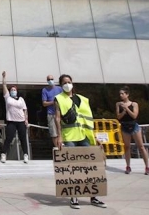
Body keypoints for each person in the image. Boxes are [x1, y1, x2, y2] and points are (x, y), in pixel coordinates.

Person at [55, 74, 106, 210]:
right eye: (64, 82)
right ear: (61, 85)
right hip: (70, 137)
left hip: (84, 136)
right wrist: (59, 137)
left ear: (72, 83)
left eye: (69, 82)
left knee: (91, 166)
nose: (67, 84)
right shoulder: (59, 99)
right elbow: (57, 118)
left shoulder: (83, 99)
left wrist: (94, 137)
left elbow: (88, 120)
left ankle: (94, 196)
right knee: (73, 167)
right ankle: (74, 196)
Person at [116, 86, 149, 175]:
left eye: (123, 94)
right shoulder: (118, 104)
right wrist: (123, 111)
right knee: (127, 146)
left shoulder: (134, 104)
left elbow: (134, 116)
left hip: (133, 126)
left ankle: (147, 166)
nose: (121, 95)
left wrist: (127, 108)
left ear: (127, 95)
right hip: (124, 126)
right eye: (120, 94)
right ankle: (128, 166)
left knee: (141, 146)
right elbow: (118, 117)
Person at [1, 71, 29, 164]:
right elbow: (4, 86)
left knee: (23, 138)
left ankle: (25, 155)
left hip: (21, 121)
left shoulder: (21, 99)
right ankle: (3, 154)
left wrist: (26, 120)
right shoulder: (7, 98)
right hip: (11, 121)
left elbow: (25, 110)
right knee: (9, 138)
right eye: (12, 90)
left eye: (14, 90)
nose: (13, 91)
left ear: (17, 91)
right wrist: (4, 78)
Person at [42, 74, 62, 149]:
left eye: (52, 79)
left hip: (61, 113)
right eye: (49, 79)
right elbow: (44, 103)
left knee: (62, 131)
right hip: (51, 114)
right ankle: (57, 148)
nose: (50, 81)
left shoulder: (60, 89)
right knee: (54, 133)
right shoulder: (45, 90)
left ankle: (64, 147)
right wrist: (53, 102)